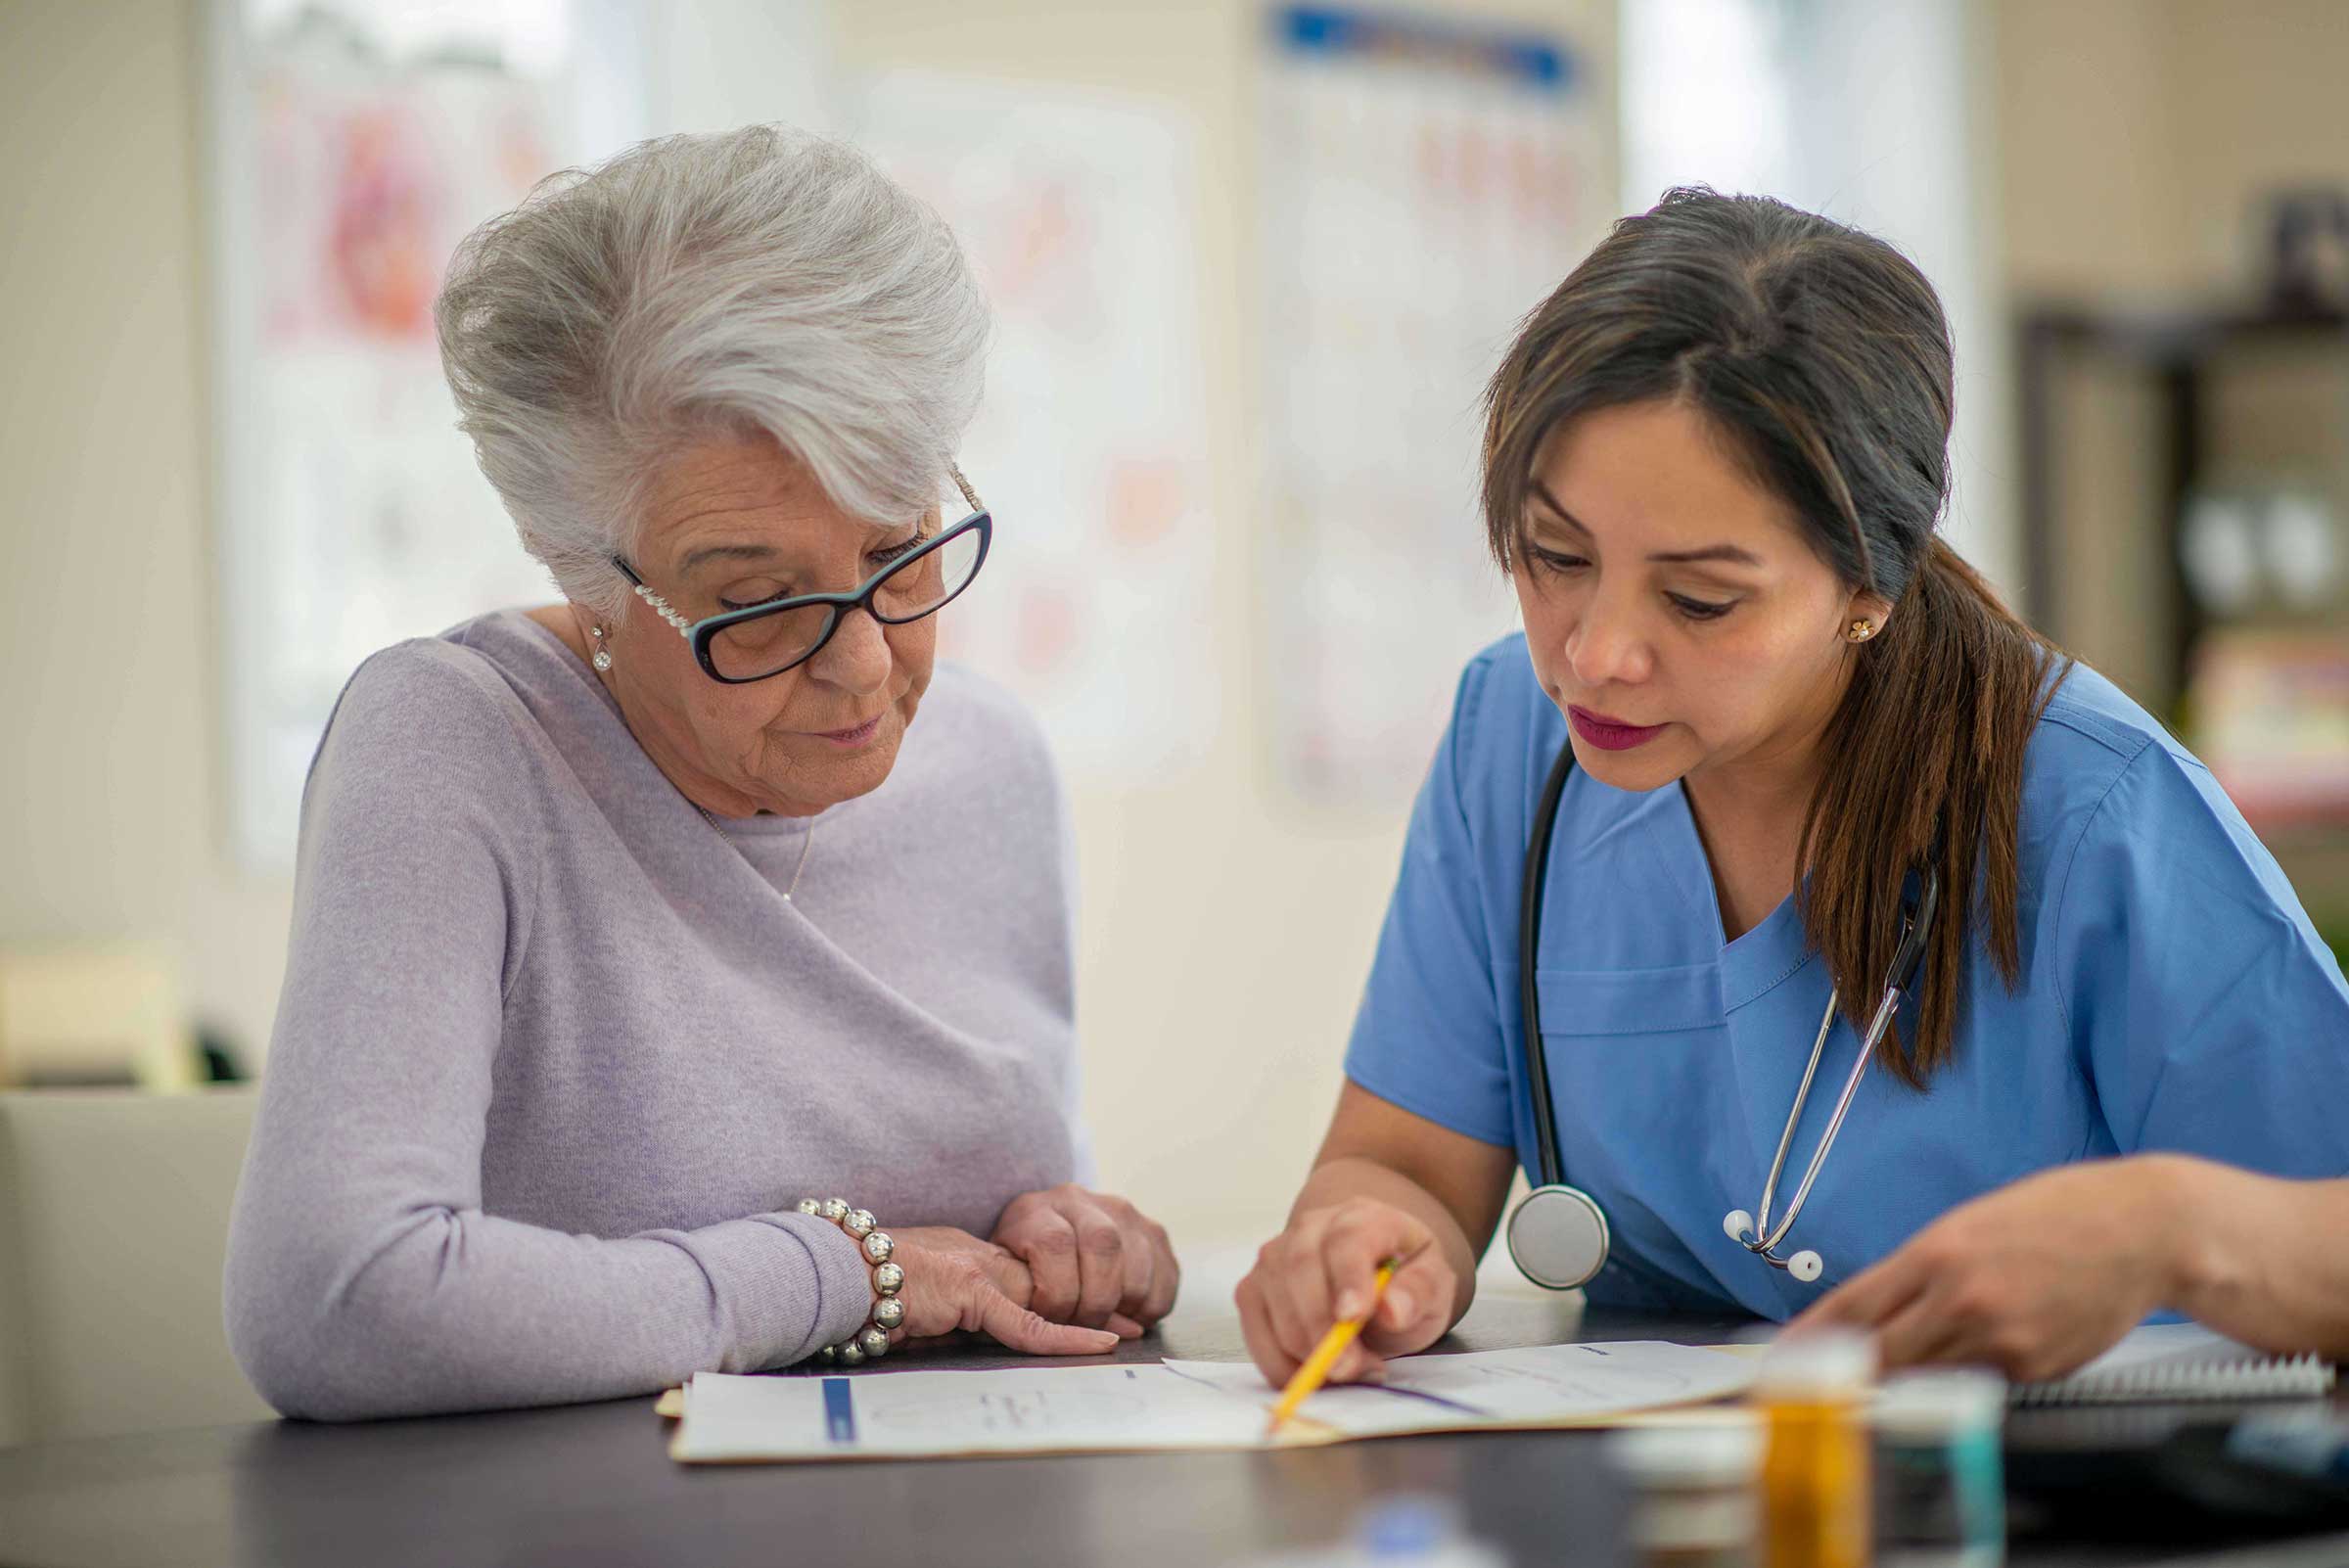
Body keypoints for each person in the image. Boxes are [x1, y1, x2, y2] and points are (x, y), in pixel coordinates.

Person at [1235, 189, 2349, 1388]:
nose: (1597, 653)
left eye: (1701, 598)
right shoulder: (1513, 737)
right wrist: (1363, 1239)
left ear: (1870, 585)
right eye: (1556, 557)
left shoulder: (2095, 809)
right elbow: (1403, 1163)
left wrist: (2166, 1226)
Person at [225, 126, 1177, 1421]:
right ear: (581, 570)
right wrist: (847, 1272)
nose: (860, 665)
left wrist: (1075, 1241)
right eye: (759, 603)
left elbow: (1001, 1247)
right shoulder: (458, 741)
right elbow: (338, 1297)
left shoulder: (992, 761)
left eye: (900, 554)